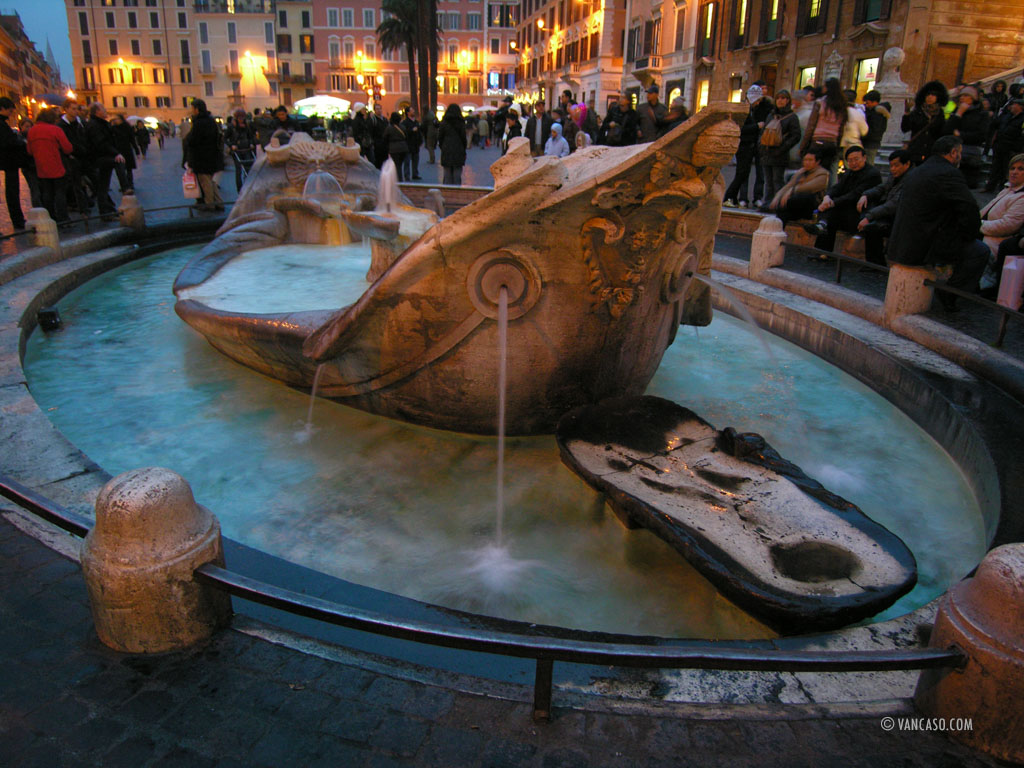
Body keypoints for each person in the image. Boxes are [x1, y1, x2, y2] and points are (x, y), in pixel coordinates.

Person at [887, 135, 989, 311]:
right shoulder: (948, 174)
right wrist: (968, 234)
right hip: (926, 243)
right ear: (953, 153)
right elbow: (969, 209)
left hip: (904, 239)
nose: (960, 158)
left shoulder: (918, 170)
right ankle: (950, 292)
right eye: (959, 153)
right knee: (980, 251)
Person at [803, 145, 882, 256]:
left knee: (830, 213)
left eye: (856, 159)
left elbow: (854, 194)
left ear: (864, 158)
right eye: (850, 160)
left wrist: (832, 203)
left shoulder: (872, 174)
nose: (853, 163)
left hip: (860, 212)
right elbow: (837, 187)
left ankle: (822, 225)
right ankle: (821, 251)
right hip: (845, 208)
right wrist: (827, 197)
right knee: (828, 213)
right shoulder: (849, 172)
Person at [856, 149, 914, 265]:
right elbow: (881, 188)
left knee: (872, 228)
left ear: (907, 164)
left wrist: (869, 216)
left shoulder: (911, 179)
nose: (893, 169)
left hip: (899, 219)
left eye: (896, 166)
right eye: (891, 166)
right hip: (887, 213)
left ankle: (876, 264)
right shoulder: (894, 176)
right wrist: (866, 194)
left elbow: (893, 204)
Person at [723, 84, 771, 208]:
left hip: (749, 145)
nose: (758, 103)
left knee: (743, 173)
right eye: (758, 100)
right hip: (744, 145)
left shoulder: (752, 109)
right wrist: (757, 126)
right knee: (741, 173)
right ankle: (728, 197)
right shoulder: (743, 110)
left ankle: (731, 198)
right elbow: (739, 128)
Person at [26, 108, 73, 224]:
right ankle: (63, 218)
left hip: (41, 167)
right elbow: (67, 148)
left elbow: (29, 151)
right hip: (57, 165)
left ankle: (50, 217)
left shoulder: (32, 131)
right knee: (60, 193)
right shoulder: (55, 130)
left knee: (47, 193)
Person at [759, 89, 802, 209]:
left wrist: (783, 148)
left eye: (783, 98)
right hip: (767, 152)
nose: (780, 101)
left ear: (788, 100)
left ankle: (777, 204)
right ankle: (767, 203)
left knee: (777, 180)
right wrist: (761, 147)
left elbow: (796, 136)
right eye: (778, 98)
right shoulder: (771, 115)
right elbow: (763, 132)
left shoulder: (792, 117)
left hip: (779, 154)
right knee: (768, 181)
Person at [799, 78, 848, 183]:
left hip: (818, 140)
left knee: (815, 172)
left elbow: (811, 125)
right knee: (830, 173)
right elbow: (841, 128)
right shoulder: (842, 105)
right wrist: (837, 144)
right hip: (832, 142)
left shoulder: (820, 103)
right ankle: (828, 196)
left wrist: (804, 145)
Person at [84, 103, 126, 221]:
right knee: (103, 185)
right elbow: (101, 143)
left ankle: (107, 211)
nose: (105, 110)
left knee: (103, 186)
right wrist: (115, 153)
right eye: (103, 109)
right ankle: (125, 187)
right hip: (99, 158)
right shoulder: (94, 125)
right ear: (97, 111)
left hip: (102, 157)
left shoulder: (100, 124)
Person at [944, 84, 990, 189]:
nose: (962, 98)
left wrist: (961, 135)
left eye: (966, 95)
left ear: (973, 98)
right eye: (961, 95)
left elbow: (982, 135)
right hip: (953, 153)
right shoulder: (957, 111)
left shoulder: (982, 114)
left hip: (970, 154)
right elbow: (946, 130)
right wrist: (959, 113)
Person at [766, 150, 829, 224]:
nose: (807, 162)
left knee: (798, 198)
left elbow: (809, 188)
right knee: (782, 211)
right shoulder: (801, 172)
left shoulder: (823, 173)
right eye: (805, 160)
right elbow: (789, 185)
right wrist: (777, 197)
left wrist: (793, 190)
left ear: (817, 162)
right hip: (798, 206)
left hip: (813, 206)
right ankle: (777, 232)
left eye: (810, 160)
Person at [183, 99, 224, 211]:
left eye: (193, 108)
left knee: (205, 182)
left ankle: (209, 204)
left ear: (197, 109)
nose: (192, 111)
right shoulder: (211, 121)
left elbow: (193, 140)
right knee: (211, 181)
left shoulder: (199, 123)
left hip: (201, 157)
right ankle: (219, 203)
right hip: (212, 156)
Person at [902, 80, 948, 166]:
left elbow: (941, 132)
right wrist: (907, 113)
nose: (930, 97)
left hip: (932, 152)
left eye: (933, 95)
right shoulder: (917, 112)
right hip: (916, 152)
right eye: (928, 95)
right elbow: (905, 128)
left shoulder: (940, 114)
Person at [0, 97, 28, 231]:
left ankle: (17, 219)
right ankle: (17, 220)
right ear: (3, 109)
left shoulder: (3, 124)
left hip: (8, 162)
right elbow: (8, 142)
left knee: (12, 192)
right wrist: (20, 142)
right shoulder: (2, 125)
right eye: (10, 110)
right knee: (12, 192)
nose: (11, 113)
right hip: (8, 161)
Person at [58, 99, 90, 215]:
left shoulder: (80, 123)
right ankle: (83, 208)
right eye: (73, 109)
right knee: (76, 184)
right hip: (71, 159)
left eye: (77, 109)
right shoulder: (61, 125)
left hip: (83, 156)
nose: (76, 111)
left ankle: (85, 205)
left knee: (87, 181)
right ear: (66, 109)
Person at [985, 98, 1024, 192]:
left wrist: (1017, 148)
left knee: (1006, 169)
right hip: (999, 146)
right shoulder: (1006, 116)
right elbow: (995, 124)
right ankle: (990, 187)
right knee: (995, 167)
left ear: (1020, 106)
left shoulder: (1022, 119)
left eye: (1014, 105)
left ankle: (1003, 188)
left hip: (1011, 148)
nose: (1011, 107)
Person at [225, 108, 257, 192]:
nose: (241, 120)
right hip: (237, 150)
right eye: (239, 118)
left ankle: (249, 186)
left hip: (246, 149)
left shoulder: (247, 126)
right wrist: (232, 145)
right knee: (238, 170)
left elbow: (251, 136)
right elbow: (225, 138)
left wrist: (251, 143)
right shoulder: (232, 127)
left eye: (242, 117)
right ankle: (239, 189)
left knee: (248, 168)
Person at [109, 113, 140, 194]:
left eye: (116, 119)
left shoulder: (127, 127)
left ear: (121, 119)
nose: (115, 120)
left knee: (129, 168)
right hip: (118, 151)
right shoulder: (113, 128)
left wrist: (137, 150)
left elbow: (132, 139)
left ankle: (130, 184)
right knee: (120, 169)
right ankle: (124, 185)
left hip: (126, 150)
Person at [438, 103, 467, 186]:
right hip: (458, 149)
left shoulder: (444, 123)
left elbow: (440, 137)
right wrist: (463, 148)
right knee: (457, 173)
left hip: (446, 148)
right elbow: (463, 138)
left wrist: (443, 146)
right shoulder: (461, 123)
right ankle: (457, 190)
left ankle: (447, 191)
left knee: (447, 173)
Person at [861, 90, 890, 166]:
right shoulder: (875, 112)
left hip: (871, 142)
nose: (866, 105)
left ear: (874, 102)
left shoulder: (877, 114)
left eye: (868, 103)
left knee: (868, 163)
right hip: (871, 141)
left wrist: (864, 134)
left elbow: (876, 129)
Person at [384, 111, 408, 180]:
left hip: (394, 149)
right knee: (399, 164)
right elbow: (407, 136)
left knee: (397, 165)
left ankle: (398, 179)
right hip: (403, 148)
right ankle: (399, 178)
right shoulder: (403, 127)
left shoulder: (389, 128)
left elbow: (385, 138)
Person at [401, 107, 422, 181]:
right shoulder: (405, 122)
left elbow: (419, 132)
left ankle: (415, 174)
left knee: (416, 160)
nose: (414, 111)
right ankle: (407, 175)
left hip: (416, 144)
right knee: (407, 161)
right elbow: (404, 133)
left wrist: (420, 141)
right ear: (408, 113)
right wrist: (411, 130)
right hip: (408, 144)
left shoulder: (416, 122)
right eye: (412, 111)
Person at [370, 102, 389, 170]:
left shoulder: (385, 119)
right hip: (377, 143)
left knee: (385, 160)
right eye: (377, 109)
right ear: (374, 110)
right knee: (378, 161)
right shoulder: (373, 120)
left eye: (380, 109)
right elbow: (371, 131)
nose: (379, 110)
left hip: (385, 143)